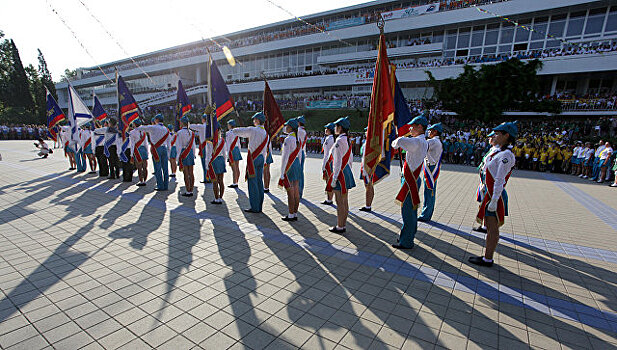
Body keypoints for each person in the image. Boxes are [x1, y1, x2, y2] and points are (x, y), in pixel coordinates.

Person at [469, 121, 517, 267]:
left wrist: (495, 199)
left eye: (497, 134)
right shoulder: (498, 151)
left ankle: (488, 258)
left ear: (506, 136)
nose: (494, 136)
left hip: (496, 195)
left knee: (492, 228)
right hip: (490, 194)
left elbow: (500, 179)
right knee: (490, 227)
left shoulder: (506, 155)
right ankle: (487, 256)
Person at [390, 115, 428, 249]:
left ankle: (406, 241)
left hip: (409, 180)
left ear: (420, 127)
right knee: (410, 210)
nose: (410, 128)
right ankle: (408, 235)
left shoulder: (417, 142)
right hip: (412, 178)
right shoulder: (421, 141)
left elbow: (396, 142)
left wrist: (398, 139)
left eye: (413, 126)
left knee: (407, 211)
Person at [233, 112, 269, 213]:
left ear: (257, 120)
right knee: (259, 182)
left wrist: (233, 130)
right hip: (261, 158)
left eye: (254, 119)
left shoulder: (253, 130)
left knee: (252, 183)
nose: (253, 121)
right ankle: (260, 205)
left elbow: (239, 132)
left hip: (253, 158)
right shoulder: (266, 133)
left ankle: (255, 207)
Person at [325, 117, 355, 233]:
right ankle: (343, 224)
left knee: (339, 201)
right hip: (346, 170)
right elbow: (350, 158)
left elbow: (337, 162)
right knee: (345, 200)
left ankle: (340, 226)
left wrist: (334, 179)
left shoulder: (339, 141)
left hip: (340, 172)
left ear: (340, 128)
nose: (335, 128)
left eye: (336, 126)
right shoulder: (346, 139)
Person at [419, 122, 444, 222]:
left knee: (429, 191)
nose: (428, 132)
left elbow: (421, 145)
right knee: (429, 191)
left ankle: (426, 214)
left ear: (435, 132)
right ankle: (426, 213)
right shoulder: (436, 141)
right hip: (431, 166)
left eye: (430, 131)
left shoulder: (433, 141)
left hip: (431, 168)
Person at [137, 114, 170, 191]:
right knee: (165, 168)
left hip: (156, 149)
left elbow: (140, 128)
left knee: (157, 167)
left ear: (157, 120)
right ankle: (166, 185)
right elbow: (168, 143)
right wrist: (169, 152)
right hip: (164, 148)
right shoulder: (166, 129)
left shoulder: (153, 127)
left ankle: (160, 185)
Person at [279, 118, 302, 221]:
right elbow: (300, 155)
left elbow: (285, 157)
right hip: (296, 164)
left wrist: (282, 172)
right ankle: (295, 213)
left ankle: (291, 214)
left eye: (287, 126)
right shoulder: (298, 139)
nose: (285, 128)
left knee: (290, 191)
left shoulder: (288, 139)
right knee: (296, 190)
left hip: (290, 165)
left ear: (291, 127)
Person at [205, 129, 227, 204]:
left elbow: (208, 154)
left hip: (213, 160)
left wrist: (207, 164)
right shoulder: (222, 140)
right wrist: (224, 163)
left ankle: (216, 198)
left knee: (215, 181)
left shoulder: (210, 141)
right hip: (221, 160)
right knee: (221, 181)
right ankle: (220, 197)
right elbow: (224, 153)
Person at [176, 116, 196, 196]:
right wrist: (193, 155)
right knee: (191, 173)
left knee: (185, 173)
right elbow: (193, 145)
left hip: (183, 152)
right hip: (190, 152)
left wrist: (178, 157)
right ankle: (191, 190)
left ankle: (188, 190)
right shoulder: (191, 132)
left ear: (182, 123)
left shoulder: (179, 132)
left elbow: (179, 146)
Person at [359, 127, 374, 212]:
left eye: (367, 131)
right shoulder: (367, 141)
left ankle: (368, 205)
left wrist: (366, 169)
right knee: (367, 186)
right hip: (364, 166)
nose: (365, 132)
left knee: (369, 185)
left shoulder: (371, 143)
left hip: (368, 167)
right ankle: (368, 204)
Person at [192, 114, 210, 184]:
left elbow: (193, 126)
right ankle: (211, 177)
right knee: (210, 162)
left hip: (204, 146)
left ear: (204, 119)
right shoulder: (211, 127)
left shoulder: (202, 126)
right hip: (210, 146)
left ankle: (206, 178)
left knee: (204, 162)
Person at [130, 120, 149, 186]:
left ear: (134, 124)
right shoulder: (144, 132)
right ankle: (145, 180)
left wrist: (131, 154)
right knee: (145, 166)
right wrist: (147, 151)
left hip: (137, 149)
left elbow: (132, 144)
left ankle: (141, 181)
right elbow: (146, 143)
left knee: (139, 167)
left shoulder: (132, 132)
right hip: (144, 149)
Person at [321, 122, 336, 205]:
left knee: (328, 180)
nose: (325, 130)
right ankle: (330, 198)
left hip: (328, 162)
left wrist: (324, 165)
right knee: (331, 180)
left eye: (327, 128)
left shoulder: (329, 139)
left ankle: (329, 199)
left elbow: (326, 154)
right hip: (333, 161)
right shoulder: (334, 138)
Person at [226, 119, 242, 188]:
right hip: (237, 149)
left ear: (230, 125)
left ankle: (234, 183)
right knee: (237, 167)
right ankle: (236, 181)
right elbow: (239, 143)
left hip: (232, 150)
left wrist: (228, 155)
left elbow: (228, 144)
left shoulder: (228, 133)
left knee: (234, 168)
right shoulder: (237, 132)